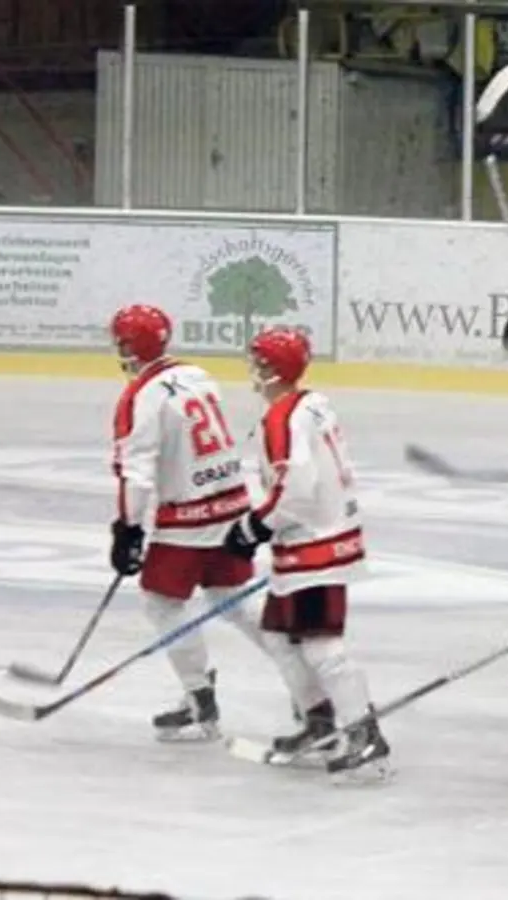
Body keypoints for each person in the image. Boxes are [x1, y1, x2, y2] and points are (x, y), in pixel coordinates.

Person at [221, 329, 390, 780]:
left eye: (258, 361)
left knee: (321, 646)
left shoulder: (284, 418)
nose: (252, 369)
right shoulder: (312, 403)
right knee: (279, 636)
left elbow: (296, 491)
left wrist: (252, 526)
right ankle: (321, 725)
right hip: (316, 540)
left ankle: (364, 737)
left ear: (274, 369)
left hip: (315, 545)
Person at [106, 304, 275, 742]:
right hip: (232, 504)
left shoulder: (140, 396)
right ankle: (313, 690)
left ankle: (199, 695)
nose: (119, 350)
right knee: (234, 601)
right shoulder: (198, 375)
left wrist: (128, 528)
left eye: (123, 342)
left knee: (162, 603)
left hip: (188, 520)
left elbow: (137, 471)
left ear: (135, 345)